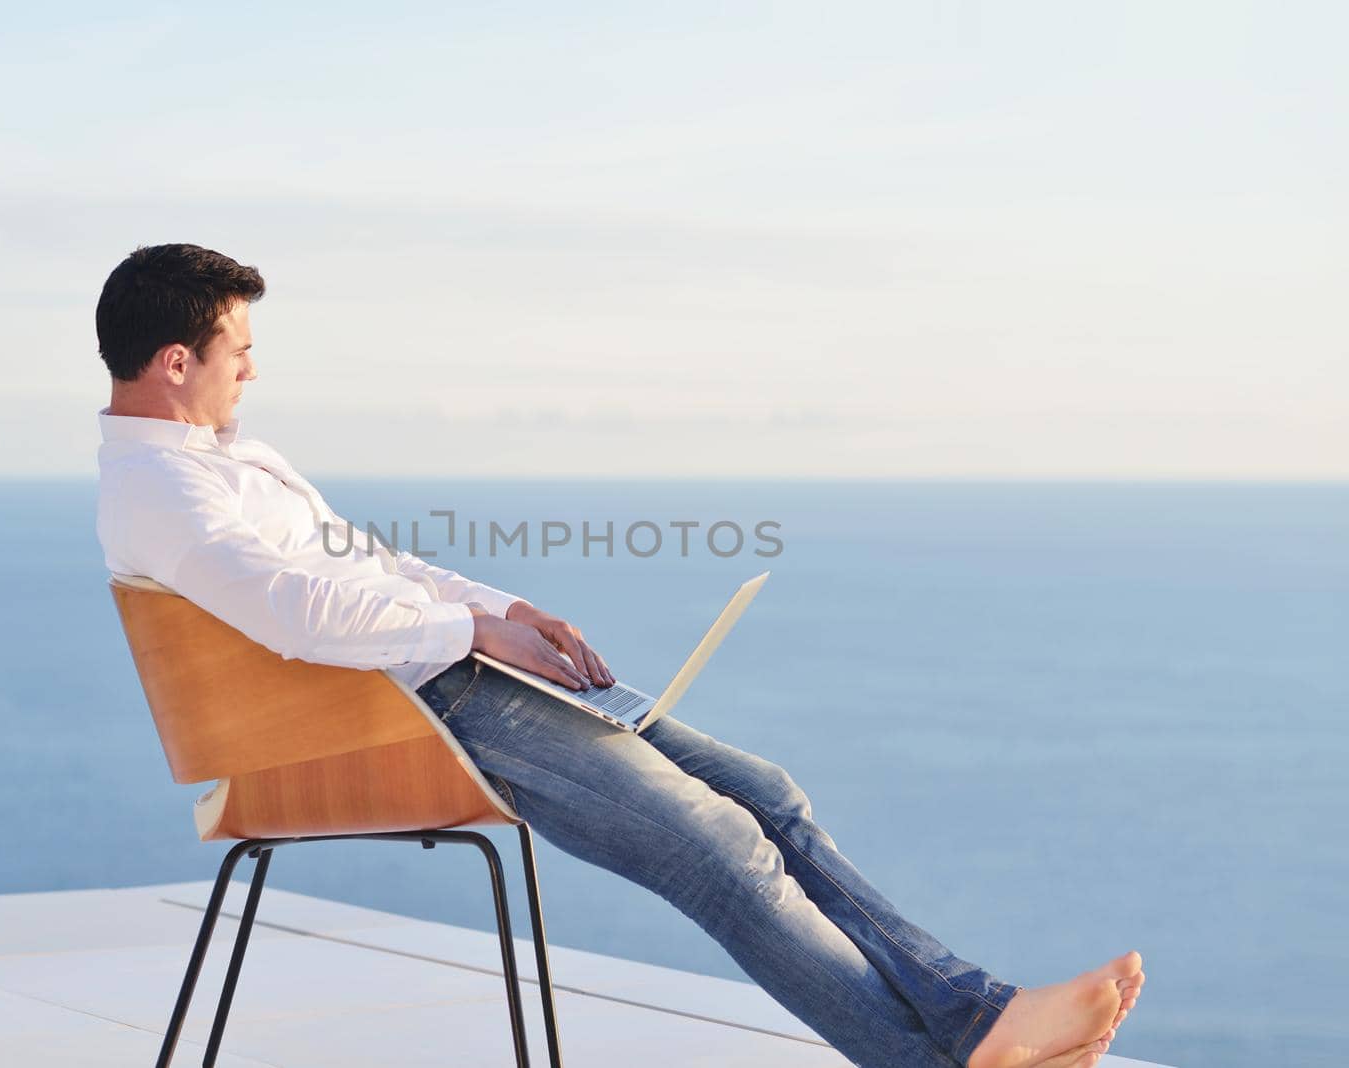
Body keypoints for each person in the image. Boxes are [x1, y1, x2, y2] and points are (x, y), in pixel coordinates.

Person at [93, 243, 1145, 1068]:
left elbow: (366, 565)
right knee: (719, 851)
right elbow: (295, 611)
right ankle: (941, 1056)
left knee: (766, 796)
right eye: (239, 350)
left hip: (455, 677)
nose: (253, 369)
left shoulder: (227, 466)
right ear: (177, 362)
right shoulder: (166, 493)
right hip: (423, 715)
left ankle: (975, 1018)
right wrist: (473, 635)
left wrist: (506, 606)